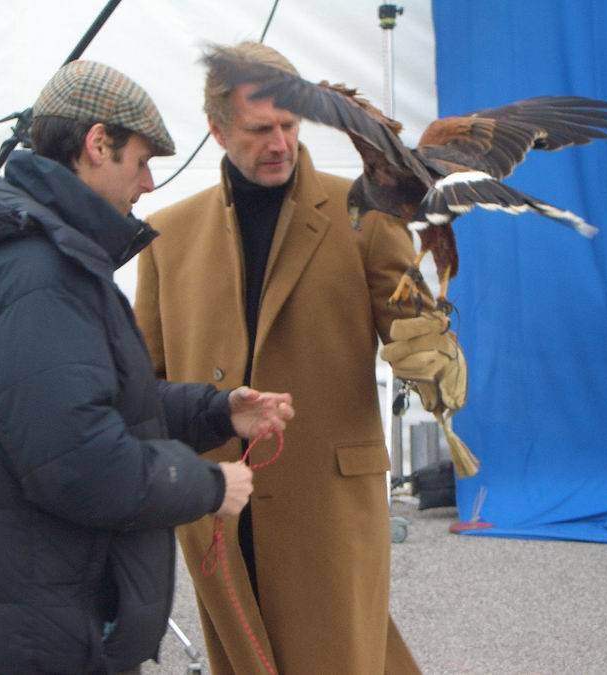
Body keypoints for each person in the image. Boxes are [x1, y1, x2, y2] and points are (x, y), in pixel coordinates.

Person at [0, 60, 294, 674]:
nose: (148, 183)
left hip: (48, 606)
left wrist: (217, 412)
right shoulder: (38, 276)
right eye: (141, 161)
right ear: (96, 144)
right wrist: (210, 487)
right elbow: (80, 463)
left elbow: (96, 401)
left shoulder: (46, 257)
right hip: (48, 624)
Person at [134, 42, 422, 674]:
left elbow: (419, 341)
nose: (280, 144)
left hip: (328, 499)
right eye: (260, 129)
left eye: (290, 125)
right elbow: (141, 386)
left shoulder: (366, 216)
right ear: (216, 129)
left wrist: (434, 354)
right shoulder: (167, 236)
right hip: (219, 503)